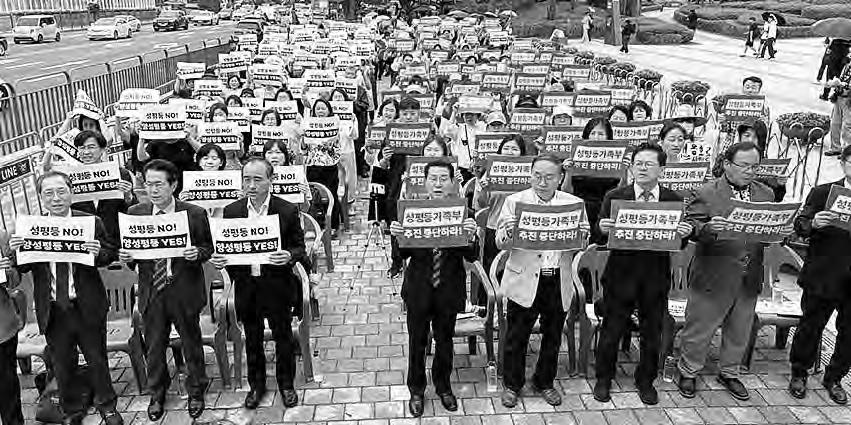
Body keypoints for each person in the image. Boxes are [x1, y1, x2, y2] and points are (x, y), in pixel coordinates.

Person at [676, 142, 789, 401]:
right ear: (727, 164)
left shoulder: (766, 193)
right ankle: (689, 370)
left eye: (755, 167)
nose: (750, 171)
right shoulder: (705, 192)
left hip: (749, 272)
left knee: (740, 328)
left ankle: (729, 372)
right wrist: (708, 229)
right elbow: (691, 227)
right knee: (700, 327)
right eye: (744, 166)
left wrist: (780, 232)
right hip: (714, 272)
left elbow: (769, 230)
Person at [9, 171, 123, 425]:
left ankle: (108, 407)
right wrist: (16, 251)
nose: (56, 198)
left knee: (97, 359)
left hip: (86, 304)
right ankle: (71, 410)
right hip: (52, 308)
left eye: (61, 191)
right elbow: (22, 267)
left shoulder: (90, 222)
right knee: (62, 363)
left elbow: (109, 254)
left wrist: (98, 252)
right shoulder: (31, 227)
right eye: (49, 193)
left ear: (71, 192)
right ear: (41, 197)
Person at [593, 143, 693, 405]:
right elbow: (599, 235)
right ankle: (603, 378)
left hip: (655, 275)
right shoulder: (615, 196)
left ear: (662, 169)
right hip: (620, 273)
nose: (643, 168)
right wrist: (602, 228)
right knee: (612, 330)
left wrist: (684, 234)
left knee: (652, 332)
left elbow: (679, 243)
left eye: (649, 164)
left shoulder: (672, 200)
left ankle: (645, 380)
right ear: (631, 167)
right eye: (638, 163)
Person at [119, 159, 211, 421]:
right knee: (154, 345)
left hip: (183, 288)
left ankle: (196, 389)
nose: (153, 190)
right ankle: (157, 392)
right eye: (149, 184)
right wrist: (127, 257)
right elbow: (132, 251)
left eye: (159, 184)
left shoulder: (194, 213)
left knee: (191, 341)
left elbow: (208, 247)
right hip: (152, 290)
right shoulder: (136, 213)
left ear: (173, 185)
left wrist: (197, 253)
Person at [211, 158, 306, 410]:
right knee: (252, 338)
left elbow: (299, 247)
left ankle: (286, 384)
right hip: (246, 286)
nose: (251, 185)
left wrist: (289, 255)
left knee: (283, 336)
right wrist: (221, 260)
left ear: (270, 181)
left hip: (277, 285)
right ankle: (256, 386)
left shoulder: (286, 210)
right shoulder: (232, 211)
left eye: (257, 179)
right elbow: (227, 250)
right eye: (246, 179)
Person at [496, 153, 590, 408]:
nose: (542, 182)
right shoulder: (515, 202)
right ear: (530, 175)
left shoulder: (573, 204)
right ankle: (512, 384)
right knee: (517, 335)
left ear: (560, 178)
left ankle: (544, 381)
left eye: (549, 177)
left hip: (557, 278)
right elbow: (500, 243)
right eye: (537, 175)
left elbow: (582, 244)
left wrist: (583, 236)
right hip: (524, 278)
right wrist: (509, 232)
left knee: (553, 335)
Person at [388, 160, 478, 417]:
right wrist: (397, 236)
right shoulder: (411, 211)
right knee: (417, 341)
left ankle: (443, 386)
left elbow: (471, 256)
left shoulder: (464, 213)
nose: (438, 184)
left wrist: (471, 236)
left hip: (449, 287)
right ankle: (416, 390)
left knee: (445, 340)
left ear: (453, 182)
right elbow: (402, 255)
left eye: (443, 178)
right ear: (425, 182)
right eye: (433, 178)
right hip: (419, 287)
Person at [787, 144, 851, 405]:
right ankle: (799, 372)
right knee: (811, 325)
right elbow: (799, 225)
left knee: (848, 333)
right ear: (843, 163)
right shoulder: (824, 192)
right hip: (824, 272)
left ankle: (834, 377)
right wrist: (813, 223)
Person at [0, 230, 25, 425]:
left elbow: (15, 280)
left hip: (3, 326)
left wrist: (8, 270)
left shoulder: (1, 237)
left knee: (7, 387)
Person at [825, 54, 851, 156]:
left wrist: (845, 85)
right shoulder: (847, 65)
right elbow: (841, 78)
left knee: (847, 127)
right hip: (839, 97)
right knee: (835, 124)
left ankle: (847, 151)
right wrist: (835, 84)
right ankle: (835, 147)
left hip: (849, 99)